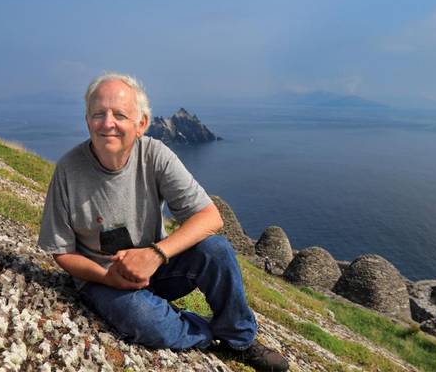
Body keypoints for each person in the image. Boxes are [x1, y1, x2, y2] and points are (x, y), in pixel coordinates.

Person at [38, 72, 289, 371]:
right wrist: (107, 277)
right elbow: (62, 252)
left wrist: (155, 254)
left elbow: (210, 217)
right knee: (143, 320)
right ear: (87, 120)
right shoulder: (68, 170)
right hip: (102, 277)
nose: (108, 124)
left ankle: (240, 339)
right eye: (98, 114)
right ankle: (205, 333)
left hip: (157, 268)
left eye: (119, 114)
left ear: (141, 124)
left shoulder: (155, 155)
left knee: (217, 251)